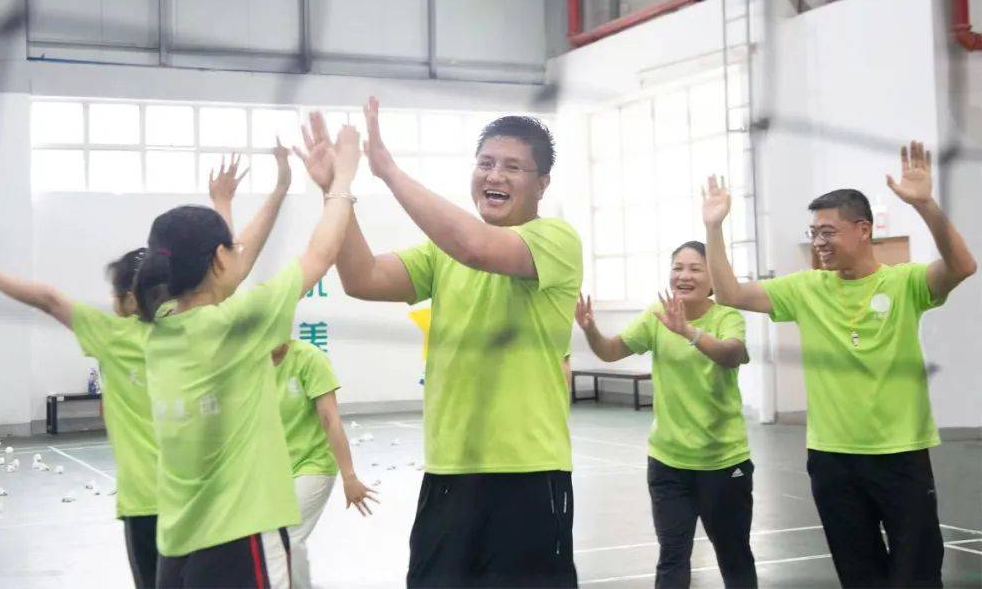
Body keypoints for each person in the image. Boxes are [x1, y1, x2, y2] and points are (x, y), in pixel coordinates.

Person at [0, 155, 279, 589]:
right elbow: (223, 274)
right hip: (204, 500)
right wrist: (227, 206)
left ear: (131, 299)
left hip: (147, 504)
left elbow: (47, 298)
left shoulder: (113, 338)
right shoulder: (195, 327)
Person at [311, 100, 582, 588]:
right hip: (448, 474)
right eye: (486, 163)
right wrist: (337, 191)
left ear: (542, 184)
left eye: (512, 167)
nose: (494, 175)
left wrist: (390, 172)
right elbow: (362, 277)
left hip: (527, 474)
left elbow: (476, 247)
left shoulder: (555, 239)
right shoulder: (441, 255)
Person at [702, 140, 977, 588]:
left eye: (827, 232)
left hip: (900, 455)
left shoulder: (904, 282)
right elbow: (730, 294)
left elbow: (962, 265)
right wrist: (714, 228)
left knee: (917, 575)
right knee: (858, 576)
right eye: (813, 233)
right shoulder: (805, 288)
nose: (818, 242)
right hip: (832, 459)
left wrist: (925, 205)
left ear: (863, 230)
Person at [138, 123, 361, 589]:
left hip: (177, 542)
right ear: (219, 258)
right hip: (241, 537)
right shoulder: (237, 324)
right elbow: (320, 254)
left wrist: (232, 204)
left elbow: (227, 269)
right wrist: (342, 178)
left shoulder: (157, 326)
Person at [575, 241, 757, 589]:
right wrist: (590, 330)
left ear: (713, 279)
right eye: (677, 268)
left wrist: (688, 331)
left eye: (695, 269)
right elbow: (610, 351)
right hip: (668, 462)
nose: (684, 275)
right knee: (672, 556)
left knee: (734, 554)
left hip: (723, 462)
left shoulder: (726, 317)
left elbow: (732, 354)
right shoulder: (657, 315)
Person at [271, 339, 379, 588]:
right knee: (266, 540)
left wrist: (349, 476)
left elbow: (330, 419)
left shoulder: (310, 359)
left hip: (312, 463)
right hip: (271, 467)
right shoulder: (248, 360)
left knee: (288, 534)